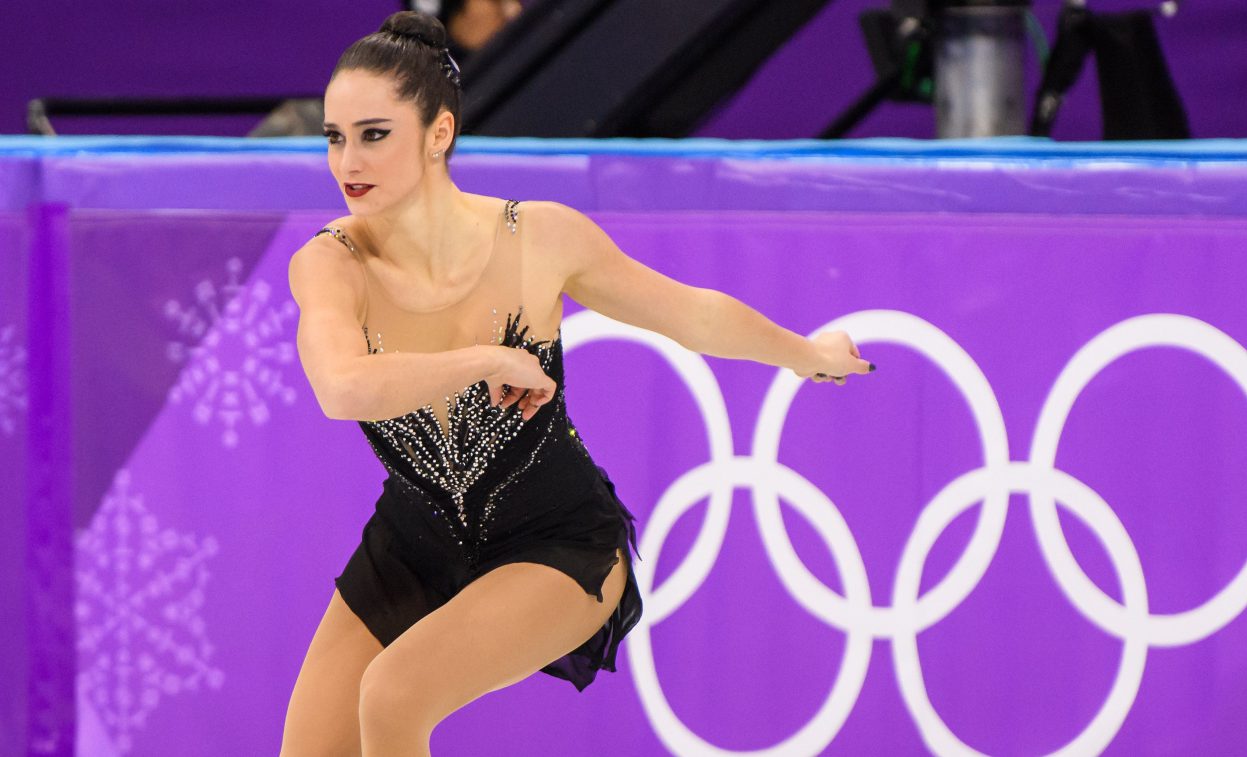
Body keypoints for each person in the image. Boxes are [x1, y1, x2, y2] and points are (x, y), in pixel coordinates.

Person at [279, 10, 874, 756]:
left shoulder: (539, 239)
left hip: (556, 540)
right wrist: (485, 361)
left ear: (438, 134)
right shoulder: (331, 263)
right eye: (334, 137)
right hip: (413, 540)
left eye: (374, 134)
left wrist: (805, 351)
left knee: (393, 694)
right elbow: (340, 387)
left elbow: (692, 315)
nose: (347, 161)